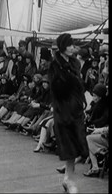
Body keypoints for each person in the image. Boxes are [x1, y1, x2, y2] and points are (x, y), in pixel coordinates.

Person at [48, 33, 89, 193]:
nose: (73, 47)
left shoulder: (75, 63)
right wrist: (70, 78)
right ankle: (69, 180)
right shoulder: (55, 66)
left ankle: (68, 178)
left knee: (75, 146)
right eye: (70, 45)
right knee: (68, 146)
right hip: (63, 111)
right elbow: (57, 89)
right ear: (63, 47)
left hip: (76, 110)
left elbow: (79, 86)